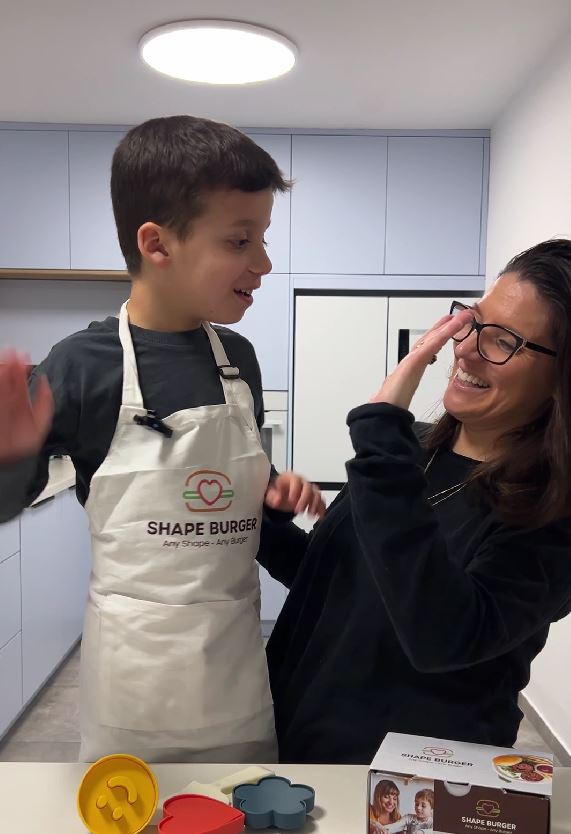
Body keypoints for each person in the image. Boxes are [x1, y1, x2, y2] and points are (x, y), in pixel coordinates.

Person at [0, 115, 323, 763]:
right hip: (134, 691)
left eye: (262, 239)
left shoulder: (238, 360)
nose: (263, 263)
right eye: (240, 240)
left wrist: (270, 494)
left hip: (233, 675)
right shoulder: (82, 366)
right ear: (157, 244)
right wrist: (11, 458)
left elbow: (232, 502)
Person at [259, 238, 571, 764]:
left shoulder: (550, 512)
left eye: (504, 341)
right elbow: (337, 581)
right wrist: (261, 519)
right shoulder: (413, 451)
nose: (465, 348)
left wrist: (382, 432)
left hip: (412, 785)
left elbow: (441, 635)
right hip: (302, 742)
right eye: (472, 322)